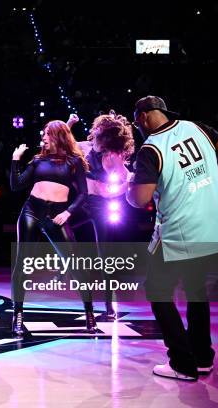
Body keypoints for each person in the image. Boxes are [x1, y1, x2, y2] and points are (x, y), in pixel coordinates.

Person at [127, 95, 218, 381]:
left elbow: (140, 200)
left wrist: (130, 186)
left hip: (181, 232)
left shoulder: (151, 149)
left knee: (158, 291)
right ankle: (202, 357)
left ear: (142, 118)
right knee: (196, 289)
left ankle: (182, 362)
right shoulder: (199, 128)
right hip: (214, 229)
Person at [10, 119, 93, 336]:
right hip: (31, 212)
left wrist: (68, 212)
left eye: (47, 133)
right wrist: (15, 160)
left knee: (75, 263)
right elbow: (16, 184)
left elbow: (84, 193)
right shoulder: (38, 160)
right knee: (22, 265)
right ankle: (17, 314)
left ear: (57, 136)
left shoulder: (73, 161)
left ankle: (89, 314)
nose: (43, 137)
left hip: (58, 214)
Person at [76, 111, 135, 319]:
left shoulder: (113, 155)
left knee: (105, 254)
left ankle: (109, 303)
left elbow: (128, 181)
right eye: (100, 137)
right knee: (58, 229)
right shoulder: (82, 147)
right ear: (96, 134)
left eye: (107, 141)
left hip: (102, 206)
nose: (101, 144)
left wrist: (112, 193)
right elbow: (61, 148)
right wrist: (70, 123)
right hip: (80, 204)